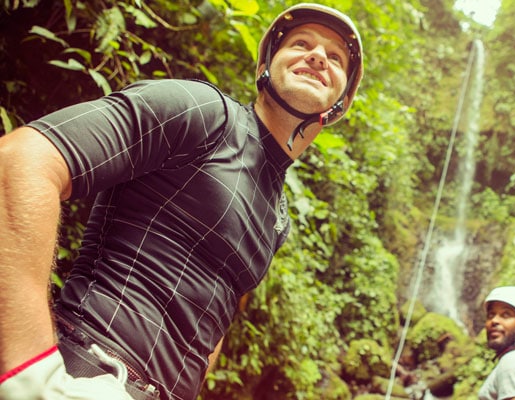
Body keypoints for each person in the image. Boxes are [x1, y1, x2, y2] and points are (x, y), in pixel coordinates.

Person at [0, 3, 363, 399]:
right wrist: (28, 369)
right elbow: (20, 160)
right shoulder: (205, 113)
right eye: (300, 43)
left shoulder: (278, 218)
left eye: (335, 57)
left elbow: (213, 326)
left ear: (340, 103)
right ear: (266, 66)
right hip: (88, 370)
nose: (316, 56)